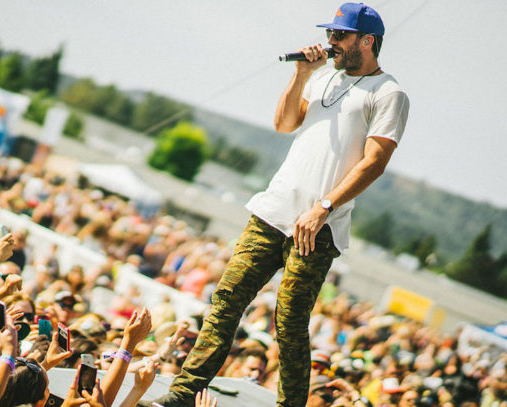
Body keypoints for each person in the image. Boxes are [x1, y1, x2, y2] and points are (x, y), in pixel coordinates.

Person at [140, 3, 409, 407]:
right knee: (226, 300)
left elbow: (375, 162)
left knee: (288, 323)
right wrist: (301, 75)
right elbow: (284, 123)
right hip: (275, 210)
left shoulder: (389, 93)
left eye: (340, 36)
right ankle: (182, 393)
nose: (330, 42)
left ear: (367, 42)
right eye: (330, 34)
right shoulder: (323, 79)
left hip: (319, 225)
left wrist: (324, 207)